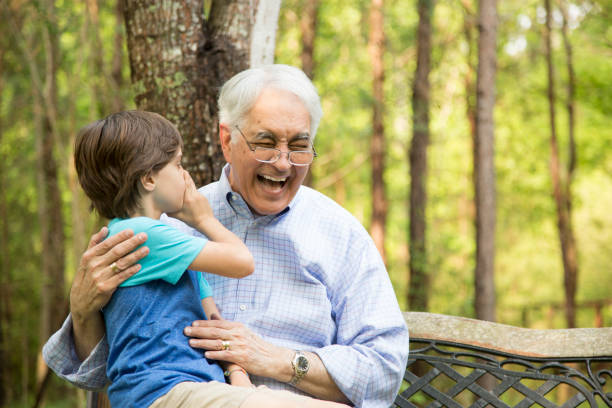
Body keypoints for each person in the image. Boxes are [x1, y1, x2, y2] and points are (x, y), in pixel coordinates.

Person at [44, 64, 409, 407]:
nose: (283, 163)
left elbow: (384, 371)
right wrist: (82, 310)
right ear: (226, 139)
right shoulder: (166, 228)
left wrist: (276, 360)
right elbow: (100, 370)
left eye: (298, 146)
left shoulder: (340, 233)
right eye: (265, 141)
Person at [69, 110, 349, 408]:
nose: (185, 176)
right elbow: (243, 262)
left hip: (197, 390)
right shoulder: (142, 235)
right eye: (177, 165)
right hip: (163, 393)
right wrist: (204, 220)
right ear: (149, 178)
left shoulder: (170, 246)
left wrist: (240, 379)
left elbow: (213, 320)